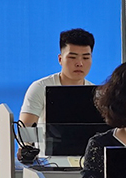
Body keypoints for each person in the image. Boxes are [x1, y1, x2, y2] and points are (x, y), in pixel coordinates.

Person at [17, 28, 94, 159]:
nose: (80, 63)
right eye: (72, 57)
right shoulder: (40, 87)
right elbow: (26, 128)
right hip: (48, 162)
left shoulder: (96, 93)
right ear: (60, 59)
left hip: (85, 162)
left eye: (86, 58)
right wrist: (27, 150)